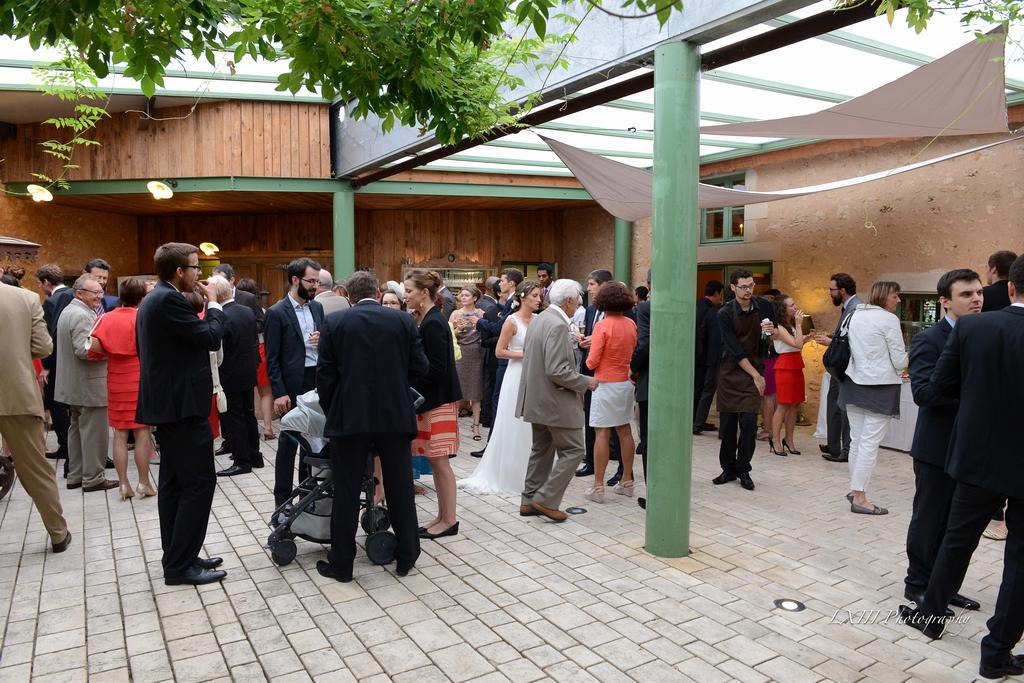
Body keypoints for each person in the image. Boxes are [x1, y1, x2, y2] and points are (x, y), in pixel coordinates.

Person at [897, 255, 1024, 680]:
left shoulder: (973, 330)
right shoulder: (952, 333)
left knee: (957, 538)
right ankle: (997, 650)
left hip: (977, 456)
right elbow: (929, 393)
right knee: (1019, 560)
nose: (974, 299)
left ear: (1006, 288)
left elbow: (942, 388)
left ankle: (931, 614)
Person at [315, 271, 428, 581]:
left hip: (350, 419)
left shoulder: (336, 323)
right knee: (400, 487)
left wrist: (334, 408)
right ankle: (406, 556)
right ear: (378, 292)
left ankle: (342, 564)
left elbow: (324, 377)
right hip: (394, 416)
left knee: (347, 490)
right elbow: (420, 366)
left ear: (349, 296)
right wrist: (395, 389)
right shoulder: (403, 322)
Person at [136, 242, 228, 586]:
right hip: (180, 407)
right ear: (179, 271)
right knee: (200, 483)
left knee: (174, 485)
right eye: (195, 267)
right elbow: (209, 337)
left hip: (171, 405)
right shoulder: (169, 299)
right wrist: (216, 304)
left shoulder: (157, 298)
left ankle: (179, 555)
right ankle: (179, 565)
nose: (199, 274)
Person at [903, 269, 983, 614]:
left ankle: (943, 587)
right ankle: (918, 584)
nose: (976, 299)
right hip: (936, 447)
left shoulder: (982, 335)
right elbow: (923, 393)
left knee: (955, 523)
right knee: (930, 518)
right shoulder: (929, 340)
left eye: (978, 293)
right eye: (966, 294)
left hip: (969, 448)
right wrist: (975, 399)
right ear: (945, 302)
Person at [0, 278, 71, 552]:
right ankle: (58, 533)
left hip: (14, 392)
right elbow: (44, 348)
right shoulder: (25, 298)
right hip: (15, 391)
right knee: (35, 469)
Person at [517, 279, 597, 521]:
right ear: (569, 301)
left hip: (537, 398)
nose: (578, 306)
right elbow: (557, 370)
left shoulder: (540, 318)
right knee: (574, 450)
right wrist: (586, 382)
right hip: (555, 402)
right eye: (578, 301)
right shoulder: (558, 325)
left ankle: (529, 500)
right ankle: (546, 500)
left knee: (541, 450)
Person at [458, 280, 543, 494]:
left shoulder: (540, 320)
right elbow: (500, 351)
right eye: (534, 295)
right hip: (515, 375)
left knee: (531, 425)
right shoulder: (511, 321)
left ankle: (530, 473)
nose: (539, 299)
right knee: (514, 422)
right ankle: (509, 473)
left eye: (539, 296)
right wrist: (525, 355)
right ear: (522, 297)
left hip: (534, 375)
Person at [840, 281, 907, 515]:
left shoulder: (855, 314)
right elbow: (899, 360)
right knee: (868, 444)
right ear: (883, 296)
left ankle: (854, 489)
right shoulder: (889, 320)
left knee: (857, 441)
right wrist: (907, 362)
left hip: (853, 382)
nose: (898, 301)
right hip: (880, 386)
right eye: (896, 296)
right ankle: (860, 497)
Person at [406, 270, 463, 539]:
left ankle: (449, 520)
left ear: (424, 293)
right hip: (434, 399)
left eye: (409, 291)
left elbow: (436, 368)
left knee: (440, 462)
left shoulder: (434, 323)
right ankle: (442, 516)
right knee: (435, 460)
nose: (406, 296)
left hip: (437, 401)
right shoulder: (429, 319)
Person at [88, 277, 156, 499]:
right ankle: (144, 483)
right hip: (139, 377)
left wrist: (111, 354)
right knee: (142, 432)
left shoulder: (105, 318)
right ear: (142, 297)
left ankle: (123, 484)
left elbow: (92, 345)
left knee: (119, 433)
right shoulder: (144, 317)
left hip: (116, 377)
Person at [265, 258, 325, 506]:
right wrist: (279, 392)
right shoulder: (276, 313)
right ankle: (282, 500)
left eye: (317, 282)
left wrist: (323, 340)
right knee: (289, 443)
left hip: (316, 380)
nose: (315, 287)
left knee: (312, 441)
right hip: (291, 385)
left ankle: (306, 494)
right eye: (311, 281)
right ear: (295, 280)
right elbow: (272, 358)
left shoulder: (317, 308)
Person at [713, 269, 774, 491]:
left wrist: (769, 332)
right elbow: (735, 350)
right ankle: (728, 468)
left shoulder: (764, 306)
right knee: (728, 426)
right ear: (733, 288)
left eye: (751, 286)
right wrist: (756, 375)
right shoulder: (724, 313)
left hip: (754, 368)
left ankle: (743, 468)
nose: (749, 291)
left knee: (749, 423)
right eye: (744, 287)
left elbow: (770, 338)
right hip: (731, 371)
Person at [56, 274, 116, 492]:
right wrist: (112, 350)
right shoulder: (82, 315)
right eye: (95, 292)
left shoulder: (69, 311)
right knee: (94, 434)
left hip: (75, 385)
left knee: (76, 431)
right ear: (79, 293)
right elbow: (85, 350)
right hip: (89, 385)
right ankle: (93, 478)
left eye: (100, 291)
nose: (99, 296)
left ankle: (76, 476)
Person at [584, 281, 637, 503]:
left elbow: (592, 362)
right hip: (625, 382)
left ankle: (598, 486)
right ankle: (626, 480)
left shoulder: (602, 326)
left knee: (602, 434)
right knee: (625, 430)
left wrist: (585, 348)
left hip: (605, 383)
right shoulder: (630, 324)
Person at [474, 269, 524, 457]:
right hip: (508, 359)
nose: (499, 284)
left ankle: (495, 446)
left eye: (502, 280)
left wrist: (477, 321)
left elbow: (499, 327)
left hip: (507, 360)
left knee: (499, 402)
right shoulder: (510, 302)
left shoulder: (514, 302)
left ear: (511, 283)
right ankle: (495, 444)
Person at [215, 275, 262, 476]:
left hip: (230, 372)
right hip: (249, 369)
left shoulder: (222, 316)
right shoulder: (246, 311)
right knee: (248, 413)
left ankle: (242, 461)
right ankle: (254, 455)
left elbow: (219, 348)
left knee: (234, 417)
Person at [816, 273, 862, 462]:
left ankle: (846, 450)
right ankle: (834, 445)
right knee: (833, 404)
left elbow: (855, 338)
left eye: (832, 290)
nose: (830, 293)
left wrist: (831, 342)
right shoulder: (847, 306)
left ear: (842, 291)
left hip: (847, 368)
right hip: (838, 369)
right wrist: (833, 338)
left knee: (844, 409)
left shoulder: (856, 308)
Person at [576, 268, 615, 478]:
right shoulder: (591, 310)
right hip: (590, 368)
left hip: (609, 372)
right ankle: (590, 460)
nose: (588, 289)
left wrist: (597, 342)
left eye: (591, 284)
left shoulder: (619, 311)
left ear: (603, 285)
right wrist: (584, 341)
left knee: (613, 422)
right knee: (590, 416)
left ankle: (615, 460)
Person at [37, 263, 72, 464]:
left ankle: (66, 445)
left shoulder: (51, 302)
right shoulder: (74, 294)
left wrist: (47, 365)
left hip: (57, 360)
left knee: (55, 402)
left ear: (46, 282)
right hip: (74, 357)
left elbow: (50, 336)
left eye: (41, 284)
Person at [767, 294, 809, 456]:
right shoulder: (778, 328)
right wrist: (799, 325)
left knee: (794, 405)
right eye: (792, 305)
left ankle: (789, 439)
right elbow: (796, 344)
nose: (795, 307)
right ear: (783, 308)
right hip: (785, 367)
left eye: (795, 304)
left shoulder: (789, 325)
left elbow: (796, 345)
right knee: (783, 405)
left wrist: (807, 339)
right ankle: (776, 440)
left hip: (796, 364)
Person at [236, 278, 276, 442]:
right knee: (265, 392)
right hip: (261, 349)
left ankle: (247, 429)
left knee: (245, 393)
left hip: (240, 352)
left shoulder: (234, 309)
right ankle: (267, 427)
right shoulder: (263, 312)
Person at [450, 286, 486, 440]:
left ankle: (476, 426)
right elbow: (450, 335)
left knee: (476, 392)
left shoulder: (481, 314)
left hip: (475, 353)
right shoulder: (455, 314)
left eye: (466, 295)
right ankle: (454, 427)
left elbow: (485, 333)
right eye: (461, 295)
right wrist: (457, 329)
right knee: (458, 392)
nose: (463, 298)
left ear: (475, 298)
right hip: (460, 353)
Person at [693, 280, 724, 434]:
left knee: (701, 389)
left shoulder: (699, 306)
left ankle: (698, 421)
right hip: (704, 357)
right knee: (703, 390)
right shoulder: (710, 310)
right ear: (717, 293)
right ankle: (696, 422)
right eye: (720, 294)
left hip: (701, 356)